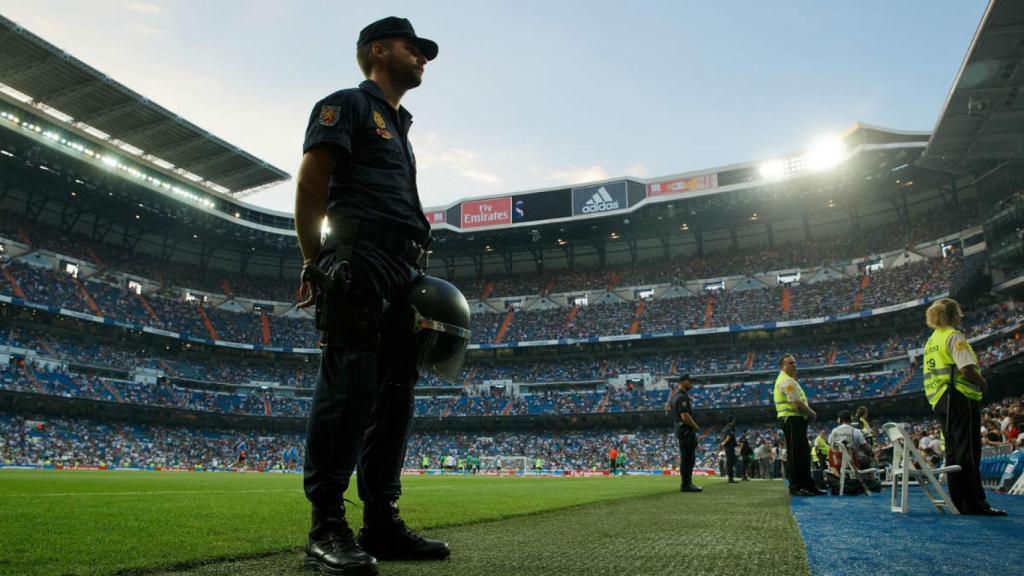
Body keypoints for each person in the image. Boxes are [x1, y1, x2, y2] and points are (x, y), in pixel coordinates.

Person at [295, 16, 449, 574]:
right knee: (349, 391)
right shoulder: (347, 105)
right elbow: (312, 184)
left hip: (402, 267)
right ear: (379, 51)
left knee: (396, 397)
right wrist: (315, 263)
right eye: (414, 48)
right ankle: (326, 527)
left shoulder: (399, 125)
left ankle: (380, 521)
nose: (423, 58)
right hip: (359, 260)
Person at [922, 298, 1006, 516]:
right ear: (952, 314)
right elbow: (966, 368)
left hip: (940, 399)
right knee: (968, 451)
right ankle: (975, 503)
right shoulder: (953, 335)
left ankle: (959, 502)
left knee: (953, 452)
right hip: (960, 396)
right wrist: (983, 382)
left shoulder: (932, 341)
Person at [774, 354, 824, 496]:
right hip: (791, 419)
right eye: (791, 363)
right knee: (796, 454)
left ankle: (807, 485)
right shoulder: (787, 381)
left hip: (794, 419)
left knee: (802, 454)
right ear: (783, 366)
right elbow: (797, 404)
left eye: (795, 362)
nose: (794, 365)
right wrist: (812, 413)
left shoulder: (788, 380)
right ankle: (796, 486)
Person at [670, 374, 702, 492]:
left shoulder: (676, 396)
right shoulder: (681, 397)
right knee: (688, 458)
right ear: (683, 382)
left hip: (681, 430)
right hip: (685, 431)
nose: (692, 383)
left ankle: (687, 483)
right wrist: (695, 426)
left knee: (687, 457)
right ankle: (686, 484)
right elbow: (685, 416)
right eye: (690, 381)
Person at [720, 416, 738, 483]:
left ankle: (730, 477)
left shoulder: (725, 427)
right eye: (734, 420)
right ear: (732, 420)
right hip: (729, 446)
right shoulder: (730, 427)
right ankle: (730, 478)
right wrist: (724, 443)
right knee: (730, 461)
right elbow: (729, 436)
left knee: (730, 461)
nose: (735, 421)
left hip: (728, 446)